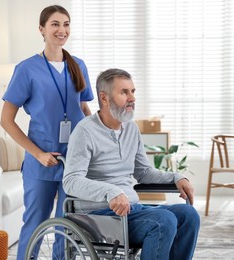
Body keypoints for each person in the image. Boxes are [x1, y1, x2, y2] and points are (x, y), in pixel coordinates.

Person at [63, 68, 200, 260]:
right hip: (98, 216)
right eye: (124, 92)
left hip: (130, 211)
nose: (132, 98)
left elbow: (143, 172)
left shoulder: (131, 128)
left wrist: (176, 177)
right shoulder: (85, 131)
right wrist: (111, 191)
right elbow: (71, 181)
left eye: (133, 91)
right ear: (104, 98)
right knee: (163, 221)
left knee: (188, 215)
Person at [0, 5, 94, 260]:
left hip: (74, 162)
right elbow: (6, 121)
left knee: (69, 227)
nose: (61, 30)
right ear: (41, 29)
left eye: (66, 24)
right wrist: (39, 154)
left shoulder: (79, 65)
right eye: (55, 24)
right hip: (41, 161)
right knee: (34, 225)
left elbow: (84, 109)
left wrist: (99, 140)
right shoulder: (26, 69)